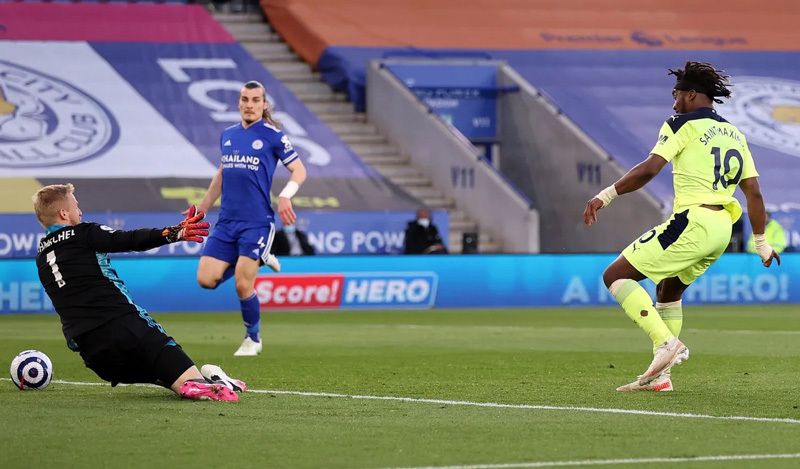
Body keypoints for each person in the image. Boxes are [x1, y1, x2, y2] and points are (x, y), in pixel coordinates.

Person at [583, 61, 781, 392]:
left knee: (615, 275)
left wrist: (605, 195)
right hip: (721, 229)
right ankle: (661, 378)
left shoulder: (681, 124)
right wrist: (760, 243)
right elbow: (754, 193)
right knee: (669, 290)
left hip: (694, 221)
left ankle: (666, 343)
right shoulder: (735, 134)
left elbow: (650, 168)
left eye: (676, 94)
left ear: (690, 95)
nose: (673, 102)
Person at [33, 184, 246, 402]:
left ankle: (207, 379)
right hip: (125, 328)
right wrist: (172, 233)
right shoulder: (83, 233)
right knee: (188, 380)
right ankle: (211, 383)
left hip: (94, 355)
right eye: (76, 207)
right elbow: (129, 239)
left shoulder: (41, 258)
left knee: (167, 374)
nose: (80, 211)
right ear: (63, 213)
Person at [193, 80, 307, 356]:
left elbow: (299, 171)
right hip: (227, 222)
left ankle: (252, 339)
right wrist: (203, 207)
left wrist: (285, 196)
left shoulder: (274, 136)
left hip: (257, 222)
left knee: (243, 285)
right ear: (239, 103)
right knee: (206, 280)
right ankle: (260, 257)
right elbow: (222, 173)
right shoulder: (228, 135)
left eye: (256, 100)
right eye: (245, 99)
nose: (249, 105)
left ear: (264, 104)